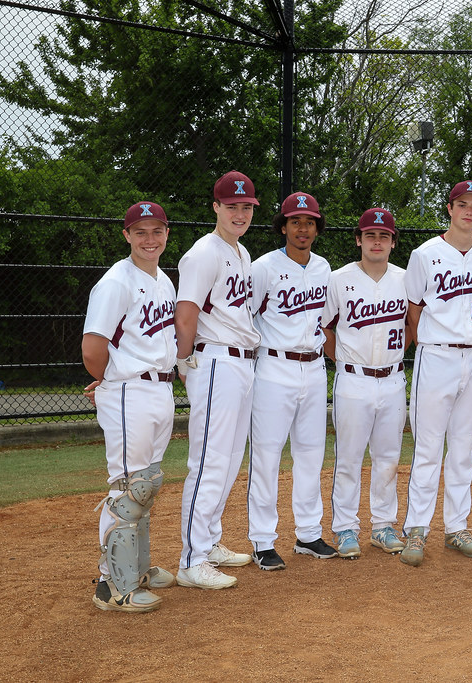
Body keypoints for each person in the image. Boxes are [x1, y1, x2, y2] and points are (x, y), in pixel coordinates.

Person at [82, 201, 178, 612]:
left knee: (148, 482)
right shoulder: (116, 282)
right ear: (127, 236)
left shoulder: (163, 282)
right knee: (127, 487)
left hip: (159, 389)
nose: (149, 239)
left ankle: (136, 567)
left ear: (166, 234)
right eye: (140, 232)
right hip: (129, 392)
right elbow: (93, 347)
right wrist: (109, 379)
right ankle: (112, 586)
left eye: (156, 231)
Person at [400, 181, 472, 566]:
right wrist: (431, 340)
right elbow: (414, 310)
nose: (469, 212)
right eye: (462, 204)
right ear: (450, 208)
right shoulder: (425, 254)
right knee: (427, 448)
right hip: (435, 356)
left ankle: (457, 527)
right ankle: (417, 530)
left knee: (462, 450)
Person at [174, 170, 262, 589]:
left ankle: (207, 542)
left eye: (246, 207)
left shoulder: (240, 253)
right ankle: (191, 560)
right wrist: (183, 358)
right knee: (209, 460)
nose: (240, 213)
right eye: (232, 206)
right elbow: (186, 311)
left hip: (242, 363)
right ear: (216, 207)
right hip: (215, 362)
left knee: (228, 461)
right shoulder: (204, 253)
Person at [247, 192, 337, 570]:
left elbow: (328, 319)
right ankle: (263, 541)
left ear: (317, 228)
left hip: (314, 369)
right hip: (274, 367)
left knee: (311, 454)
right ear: (282, 227)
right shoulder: (263, 266)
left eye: (310, 222)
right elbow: (245, 317)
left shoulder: (323, 268)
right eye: (295, 221)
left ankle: (308, 534)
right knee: (266, 457)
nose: (303, 228)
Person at [322, 207, 409, 559]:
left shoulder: (405, 279)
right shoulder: (338, 279)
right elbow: (325, 327)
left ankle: (383, 525)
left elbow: (412, 327)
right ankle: (345, 527)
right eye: (370, 235)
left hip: (392, 379)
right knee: (349, 458)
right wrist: (341, 358)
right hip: (353, 379)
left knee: (388, 457)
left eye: (384, 236)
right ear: (358, 239)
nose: (377, 241)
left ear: (392, 243)